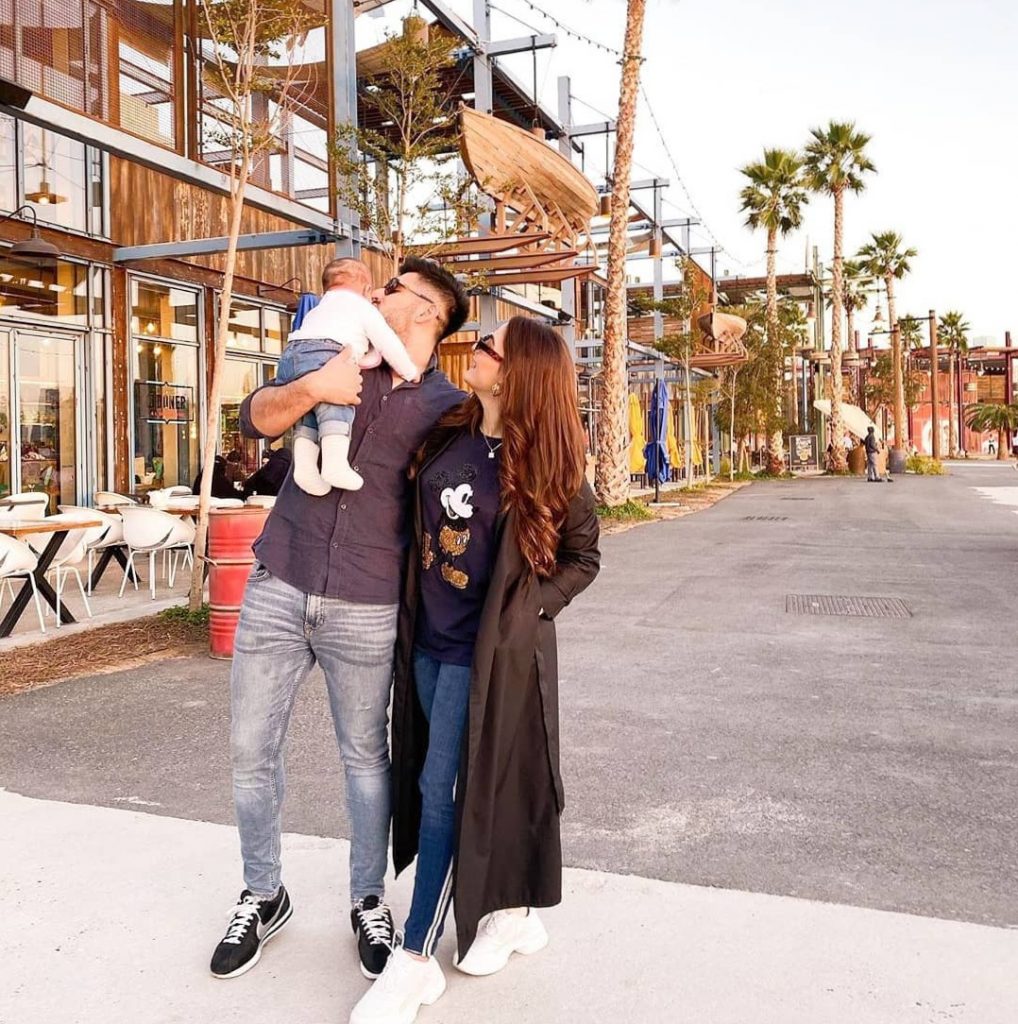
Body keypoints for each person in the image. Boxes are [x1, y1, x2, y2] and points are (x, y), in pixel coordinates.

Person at [208, 257, 470, 982]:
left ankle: (367, 899)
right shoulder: (331, 350)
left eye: (393, 291)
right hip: (279, 582)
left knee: (366, 760)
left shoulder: (446, 405)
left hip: (367, 599)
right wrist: (313, 388)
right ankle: (264, 893)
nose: (375, 295)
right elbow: (255, 417)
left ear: (423, 313)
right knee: (250, 752)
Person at [349, 318, 601, 1024]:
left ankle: (415, 960)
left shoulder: (552, 466)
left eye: (490, 346)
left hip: (483, 656)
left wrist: (529, 613)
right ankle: (516, 911)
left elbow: (584, 558)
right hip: (425, 644)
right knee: (449, 781)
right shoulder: (449, 436)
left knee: (442, 793)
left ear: (518, 370)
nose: (477, 351)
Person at [277, 258, 423, 495]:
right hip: (325, 355)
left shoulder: (319, 309)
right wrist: (409, 371)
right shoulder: (361, 307)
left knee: (310, 415)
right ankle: (334, 464)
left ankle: (305, 468)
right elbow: (387, 343)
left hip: (291, 356)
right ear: (366, 289)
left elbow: (362, 352)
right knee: (339, 405)